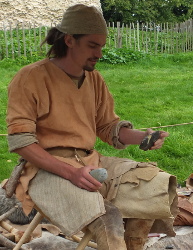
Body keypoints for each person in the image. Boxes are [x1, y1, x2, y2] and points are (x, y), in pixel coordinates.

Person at [5, 4, 178, 250]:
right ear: (70, 40)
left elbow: (107, 126)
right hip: (45, 170)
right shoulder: (30, 77)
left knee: (155, 185)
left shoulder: (94, 79)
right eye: (92, 45)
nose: (99, 53)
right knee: (107, 218)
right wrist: (71, 173)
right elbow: (21, 142)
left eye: (101, 47)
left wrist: (143, 137)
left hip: (89, 162)